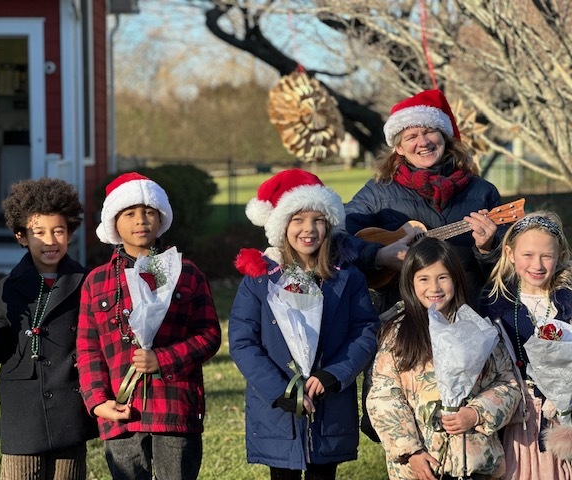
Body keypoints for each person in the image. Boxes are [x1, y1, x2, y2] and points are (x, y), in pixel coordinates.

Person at [228, 169, 380, 479]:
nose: (308, 229)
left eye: (318, 220)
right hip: (278, 412)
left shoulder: (346, 277)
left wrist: (334, 374)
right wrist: (281, 390)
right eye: (297, 220)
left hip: (330, 405)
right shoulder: (260, 280)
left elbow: (364, 330)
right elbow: (243, 342)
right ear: (281, 225)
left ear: (330, 225)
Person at [76, 172, 221, 480]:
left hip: (175, 409)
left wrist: (163, 359)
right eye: (129, 213)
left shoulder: (186, 272)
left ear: (162, 218)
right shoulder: (97, 281)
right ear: (114, 222)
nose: (140, 220)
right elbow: (88, 348)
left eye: (149, 212)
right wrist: (98, 401)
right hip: (121, 414)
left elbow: (209, 335)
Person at [0, 178, 98, 480]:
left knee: (68, 473)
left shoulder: (87, 283)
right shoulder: (3, 291)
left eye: (58, 231)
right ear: (21, 236)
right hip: (23, 408)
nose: (50, 241)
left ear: (71, 233)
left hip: (69, 401)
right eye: (39, 232)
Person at [366, 236, 520, 480]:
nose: (434, 288)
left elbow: (508, 384)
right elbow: (384, 396)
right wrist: (410, 452)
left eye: (443, 277)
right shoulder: (398, 334)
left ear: (456, 280)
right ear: (410, 282)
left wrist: (477, 413)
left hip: (476, 462)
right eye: (424, 279)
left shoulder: (478, 329)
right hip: (422, 467)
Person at [345, 89, 503, 312]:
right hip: (402, 314)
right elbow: (337, 236)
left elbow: (508, 270)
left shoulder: (482, 191)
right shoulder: (377, 193)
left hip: (468, 311)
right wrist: (378, 256)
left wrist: (487, 249)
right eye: (411, 137)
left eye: (430, 131)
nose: (423, 142)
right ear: (398, 148)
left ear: (444, 137)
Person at [480, 211, 572, 480]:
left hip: (562, 414)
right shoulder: (495, 302)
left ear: (560, 255)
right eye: (528, 255)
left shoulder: (566, 300)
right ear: (510, 253)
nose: (538, 265)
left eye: (547, 256)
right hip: (516, 416)